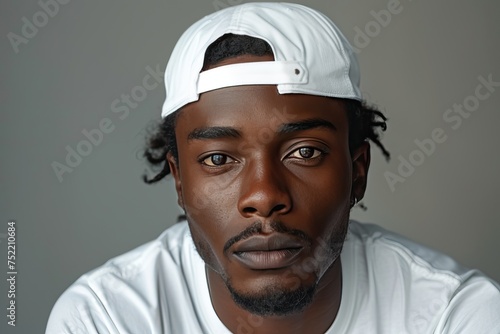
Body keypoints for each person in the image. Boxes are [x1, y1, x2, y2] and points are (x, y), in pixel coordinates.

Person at [46, 2, 500, 333]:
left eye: (304, 152)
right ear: (180, 181)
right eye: (219, 159)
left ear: (357, 170)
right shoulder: (105, 318)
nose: (263, 196)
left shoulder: (454, 315)